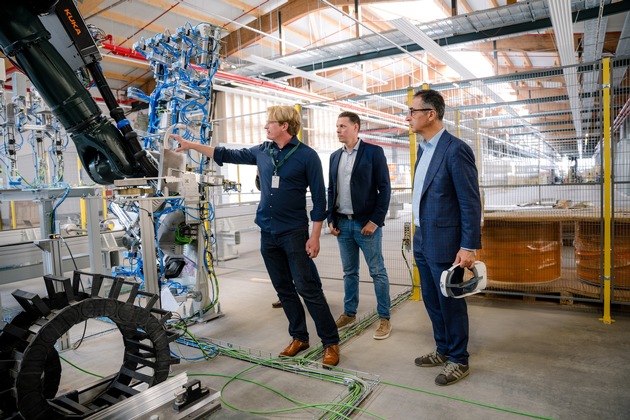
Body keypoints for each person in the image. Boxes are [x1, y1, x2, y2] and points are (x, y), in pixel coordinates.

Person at [170, 106, 340, 367]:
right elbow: (226, 154)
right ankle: (299, 337)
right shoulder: (263, 151)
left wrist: (315, 236)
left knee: (308, 288)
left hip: (294, 233)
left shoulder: (307, 156)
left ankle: (330, 343)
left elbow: (320, 199)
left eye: (270, 122)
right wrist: (191, 144)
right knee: (283, 289)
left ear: (284, 126)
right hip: (267, 232)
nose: (265, 126)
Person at [407, 89, 482, 386]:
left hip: (447, 243)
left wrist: (468, 245)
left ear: (431, 114)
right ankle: (442, 348)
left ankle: (459, 359)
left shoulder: (455, 149)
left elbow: (470, 201)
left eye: (413, 111)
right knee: (431, 299)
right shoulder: (423, 150)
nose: (408, 117)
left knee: (450, 301)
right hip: (423, 238)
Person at [327, 111, 393, 340]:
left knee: (377, 272)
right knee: (349, 272)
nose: (338, 130)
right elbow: (331, 190)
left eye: (343, 126)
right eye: (337, 126)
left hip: (366, 225)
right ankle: (349, 313)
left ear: (356, 128)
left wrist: (375, 221)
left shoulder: (373, 153)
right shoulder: (334, 157)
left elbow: (384, 189)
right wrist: (330, 218)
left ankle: (384, 317)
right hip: (342, 225)